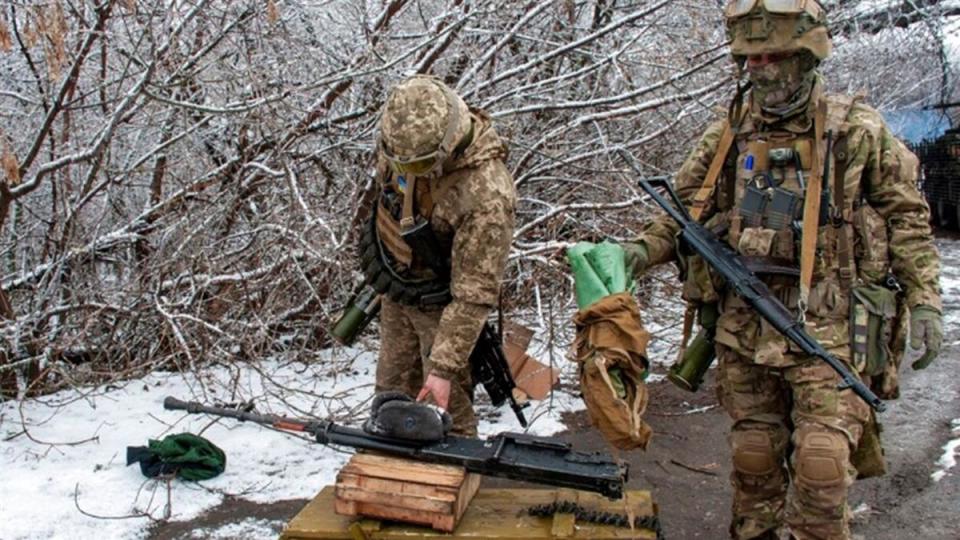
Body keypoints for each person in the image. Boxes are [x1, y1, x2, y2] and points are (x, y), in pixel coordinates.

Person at [619, 1, 943, 538]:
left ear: (806, 57)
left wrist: (925, 297)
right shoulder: (731, 131)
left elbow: (907, 218)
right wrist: (639, 253)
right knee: (753, 463)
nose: (759, 69)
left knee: (820, 465)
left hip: (829, 331)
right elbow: (682, 207)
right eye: (749, 58)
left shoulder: (855, 131)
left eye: (772, 56)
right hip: (746, 330)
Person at [360, 74, 516, 437]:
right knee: (391, 398)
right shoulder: (404, 142)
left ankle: (452, 481)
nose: (403, 172)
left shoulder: (486, 194)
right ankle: (394, 475)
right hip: (400, 291)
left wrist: (444, 367)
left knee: (444, 411)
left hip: (445, 311)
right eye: (396, 161)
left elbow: (474, 294)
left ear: (447, 144)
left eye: (415, 167)